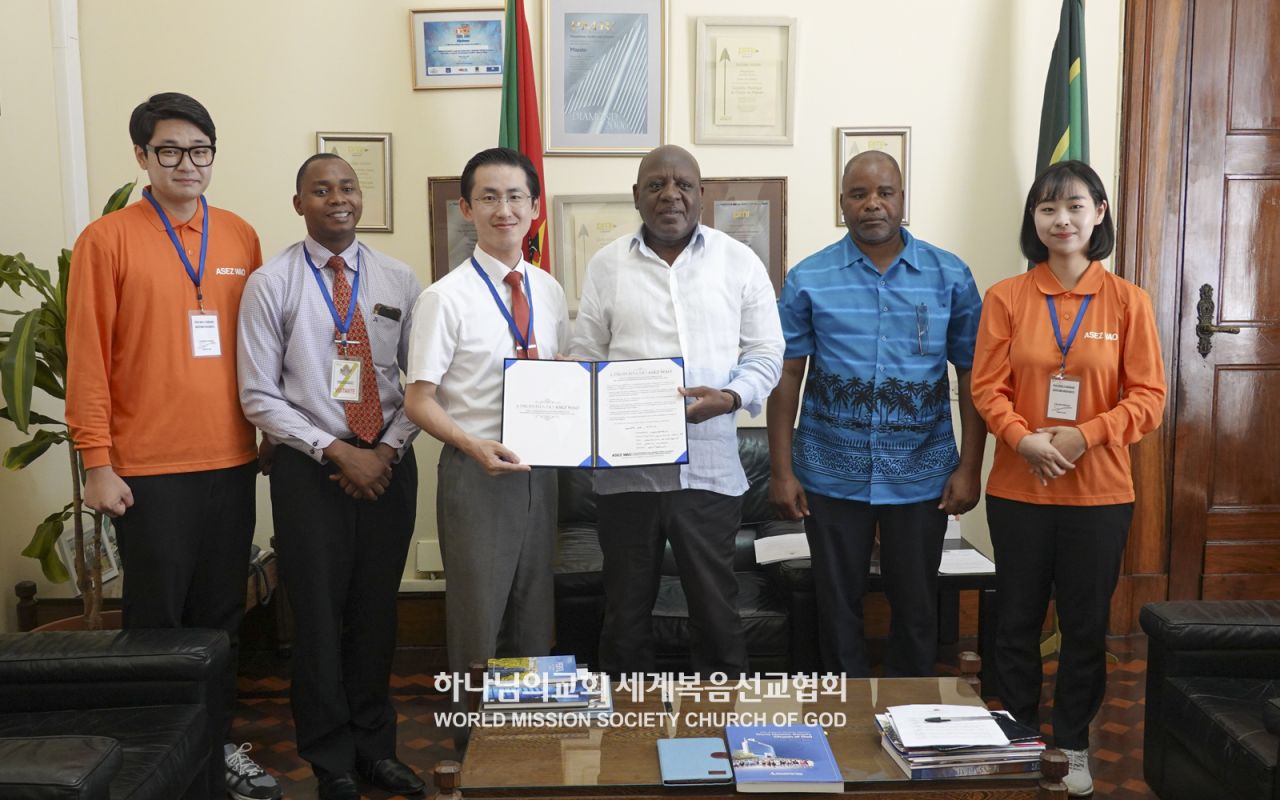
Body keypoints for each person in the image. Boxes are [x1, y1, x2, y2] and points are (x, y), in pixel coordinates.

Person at [65, 92, 281, 800]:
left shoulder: (242, 236)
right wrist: (97, 462)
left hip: (230, 461)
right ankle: (156, 765)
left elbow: (262, 349)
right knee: (157, 627)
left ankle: (216, 751)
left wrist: (272, 433)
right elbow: (88, 357)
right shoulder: (108, 239)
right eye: (169, 151)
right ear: (141, 157)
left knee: (222, 622)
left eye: (200, 151)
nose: (187, 164)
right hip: (147, 472)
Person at [970, 160, 1166, 797]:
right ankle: (1021, 738)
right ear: (1033, 218)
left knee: (1085, 625)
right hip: (1019, 489)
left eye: (1075, 206)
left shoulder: (1127, 301)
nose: (1062, 219)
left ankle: (1074, 744)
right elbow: (985, 387)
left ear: (1099, 213)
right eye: (1048, 208)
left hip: (1099, 493)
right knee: (1016, 621)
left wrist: (1085, 434)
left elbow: (1149, 398)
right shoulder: (1006, 297)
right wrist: (1024, 438)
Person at [237, 154, 424, 800]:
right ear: (299, 204)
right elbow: (258, 396)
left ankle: (377, 751)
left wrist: (386, 451)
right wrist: (337, 452)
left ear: (360, 198)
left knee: (376, 615)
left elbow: (420, 387)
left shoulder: (400, 278)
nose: (338, 199)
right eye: (322, 190)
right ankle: (330, 762)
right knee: (316, 619)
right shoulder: (273, 282)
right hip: (310, 470)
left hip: (389, 467)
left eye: (347, 188)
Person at [767, 150, 987, 678]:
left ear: (902, 199)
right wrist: (782, 470)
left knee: (916, 607)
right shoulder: (808, 278)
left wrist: (970, 467)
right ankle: (846, 717)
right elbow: (787, 375)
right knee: (836, 605)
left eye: (884, 192)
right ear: (842, 203)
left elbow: (972, 376)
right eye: (858, 194)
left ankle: (908, 716)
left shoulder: (950, 275)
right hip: (829, 472)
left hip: (922, 473)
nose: (872, 204)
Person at [569, 145, 784, 677]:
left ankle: (724, 733)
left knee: (716, 615)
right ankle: (627, 743)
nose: (671, 195)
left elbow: (765, 352)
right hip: (626, 478)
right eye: (657, 185)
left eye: (684, 184)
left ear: (702, 195)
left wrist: (731, 398)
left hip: (708, 474)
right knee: (624, 616)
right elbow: (585, 359)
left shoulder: (739, 262)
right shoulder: (606, 264)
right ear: (636, 196)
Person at [403, 148, 569, 705]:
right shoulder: (443, 298)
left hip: (540, 473)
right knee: (479, 619)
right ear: (466, 209)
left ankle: (528, 743)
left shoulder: (548, 291)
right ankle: (474, 749)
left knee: (533, 614)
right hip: (477, 474)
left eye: (516, 196)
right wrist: (472, 445)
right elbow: (418, 401)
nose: (505, 209)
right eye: (489, 197)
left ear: (535, 207)